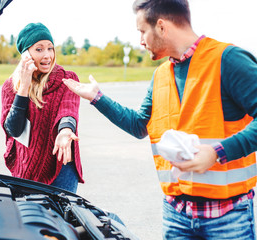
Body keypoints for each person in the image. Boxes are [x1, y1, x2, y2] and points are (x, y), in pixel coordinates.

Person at [63, 0, 257, 239]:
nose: (140, 41)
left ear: (162, 27)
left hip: (228, 217)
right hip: (176, 214)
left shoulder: (228, 60)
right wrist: (96, 97)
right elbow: (138, 126)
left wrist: (218, 152)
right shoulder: (160, 75)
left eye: (142, 31)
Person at [1, 22, 84, 193]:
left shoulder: (67, 78)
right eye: (39, 49)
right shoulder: (10, 87)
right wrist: (23, 87)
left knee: (61, 218)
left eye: (50, 48)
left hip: (61, 166)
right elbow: (13, 130)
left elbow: (68, 109)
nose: (47, 55)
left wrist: (65, 130)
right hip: (26, 166)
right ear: (26, 54)